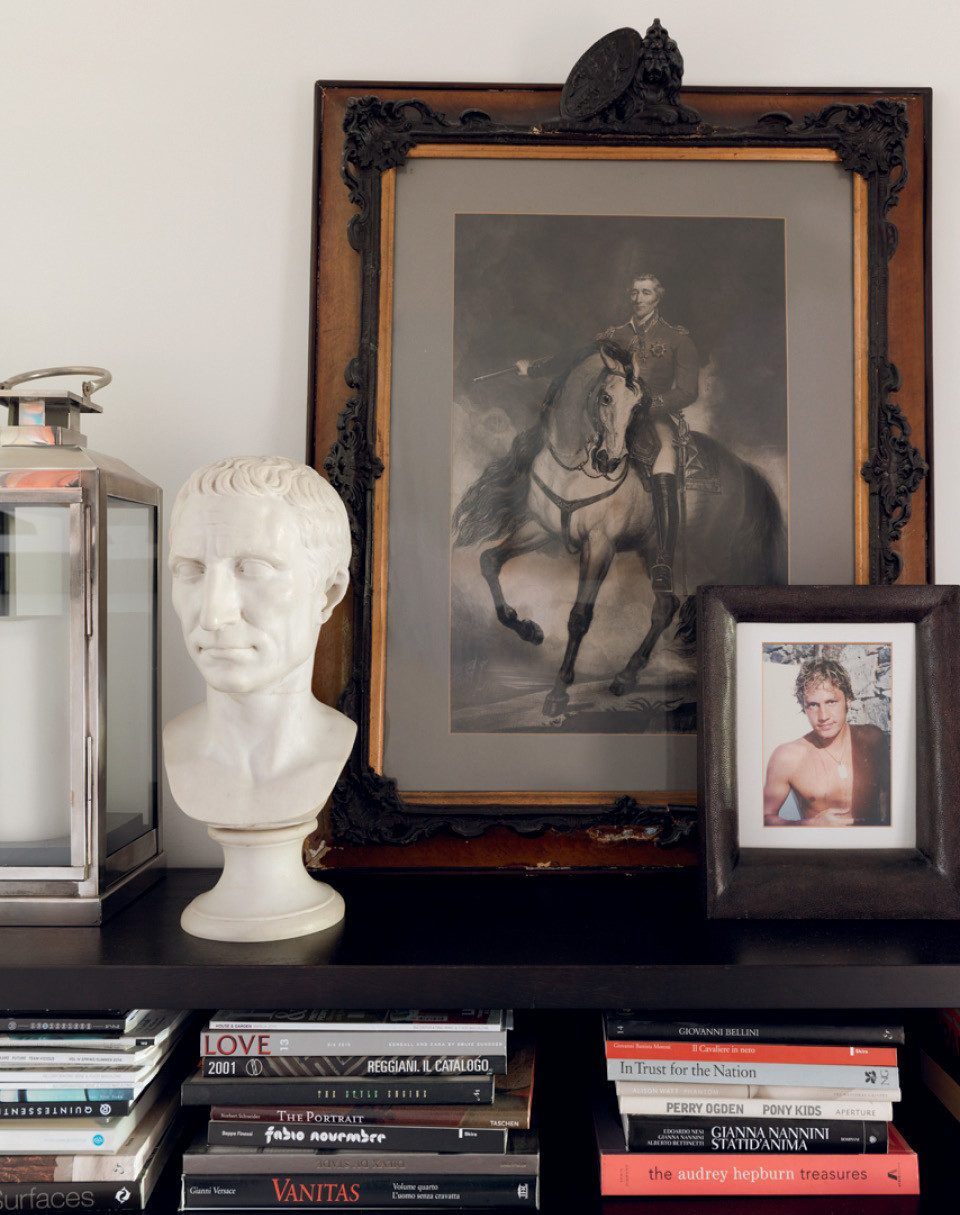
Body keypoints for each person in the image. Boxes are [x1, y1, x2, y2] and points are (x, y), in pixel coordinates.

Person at [163, 455, 355, 830]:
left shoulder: (344, 750)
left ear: (328, 594)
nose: (212, 616)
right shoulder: (171, 748)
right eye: (192, 570)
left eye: (253, 568)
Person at [516, 272, 699, 592]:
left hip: (653, 416)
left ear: (658, 298)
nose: (638, 298)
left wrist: (648, 402)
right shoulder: (614, 335)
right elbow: (574, 358)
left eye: (646, 293)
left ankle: (663, 562)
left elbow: (687, 391)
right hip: (612, 413)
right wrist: (533, 369)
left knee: (665, 462)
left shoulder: (677, 339)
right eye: (634, 292)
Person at [762, 656, 890, 827]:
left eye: (831, 702)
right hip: (819, 844)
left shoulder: (873, 739)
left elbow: (891, 798)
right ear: (803, 707)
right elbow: (764, 818)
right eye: (813, 705)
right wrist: (811, 825)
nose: (823, 716)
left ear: (848, 700)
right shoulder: (787, 757)